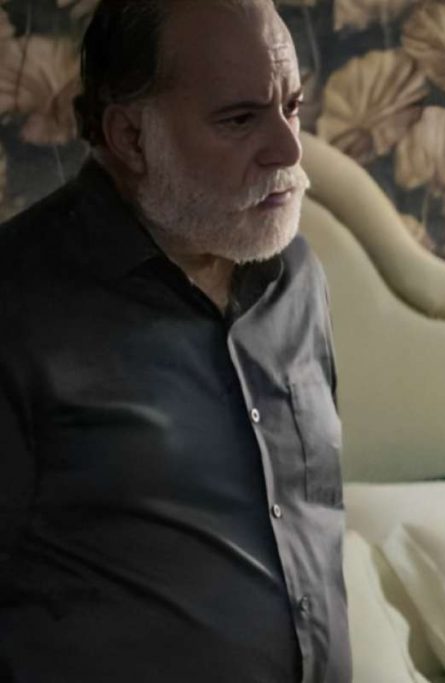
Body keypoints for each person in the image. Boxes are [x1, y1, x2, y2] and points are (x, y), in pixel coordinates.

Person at [0, 1, 349, 681]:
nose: (288, 149)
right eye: (240, 119)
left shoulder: (299, 279)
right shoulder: (17, 301)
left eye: (292, 107)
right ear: (130, 137)